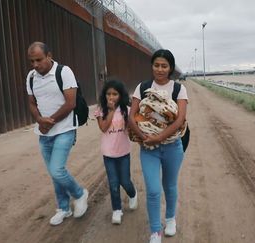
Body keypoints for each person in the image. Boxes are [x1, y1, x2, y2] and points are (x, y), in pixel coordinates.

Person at [129, 49, 188, 243]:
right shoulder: (143, 87)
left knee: (169, 186)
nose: (160, 69)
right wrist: (144, 137)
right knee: (153, 189)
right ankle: (155, 230)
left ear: (170, 68)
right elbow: (132, 117)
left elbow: (179, 120)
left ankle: (170, 219)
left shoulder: (178, 89)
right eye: (157, 65)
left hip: (172, 148)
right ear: (152, 66)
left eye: (164, 66)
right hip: (149, 149)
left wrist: (159, 137)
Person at [26, 42, 88, 226]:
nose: (35, 65)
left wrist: (48, 121)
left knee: (57, 170)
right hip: (44, 133)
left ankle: (79, 193)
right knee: (54, 174)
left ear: (49, 55)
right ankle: (63, 208)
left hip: (64, 129)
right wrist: (39, 119)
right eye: (32, 61)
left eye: (39, 60)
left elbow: (71, 103)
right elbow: (31, 102)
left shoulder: (64, 72)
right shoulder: (31, 77)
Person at [94, 80, 138, 225]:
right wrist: (111, 111)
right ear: (104, 95)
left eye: (115, 94)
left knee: (125, 181)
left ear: (120, 95)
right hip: (109, 154)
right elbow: (103, 128)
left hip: (123, 152)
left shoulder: (126, 109)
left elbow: (132, 128)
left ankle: (133, 194)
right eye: (108, 94)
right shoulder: (101, 109)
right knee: (113, 183)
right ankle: (117, 210)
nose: (111, 97)